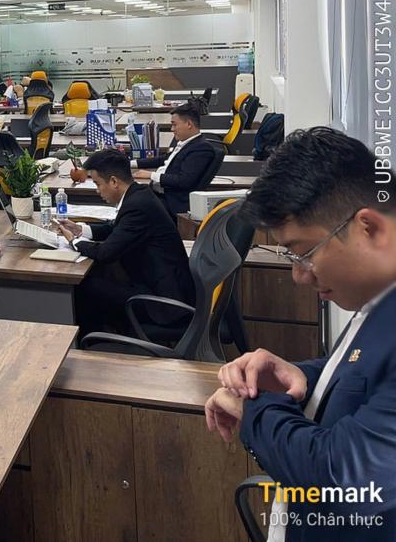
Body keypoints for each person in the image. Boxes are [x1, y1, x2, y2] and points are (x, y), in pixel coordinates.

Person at [203, 128, 396, 542]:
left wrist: (254, 409)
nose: (299, 275)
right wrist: (303, 374)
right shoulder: (379, 298)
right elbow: (373, 371)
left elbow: (343, 478)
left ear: (369, 228)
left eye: (304, 252)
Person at [55, 149, 194, 337]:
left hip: (164, 304)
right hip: (160, 285)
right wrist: (80, 229)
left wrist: (74, 241)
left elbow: (105, 253)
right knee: (101, 277)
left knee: (86, 288)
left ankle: (94, 345)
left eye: (97, 184)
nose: (97, 190)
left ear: (113, 181)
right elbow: (116, 229)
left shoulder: (137, 206)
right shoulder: (139, 194)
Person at [132, 102, 217, 217]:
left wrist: (151, 175)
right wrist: (132, 163)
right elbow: (164, 159)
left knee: (130, 202)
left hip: (171, 203)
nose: (172, 129)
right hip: (160, 195)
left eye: (174, 125)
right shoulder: (186, 143)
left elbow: (184, 181)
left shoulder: (201, 148)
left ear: (189, 124)